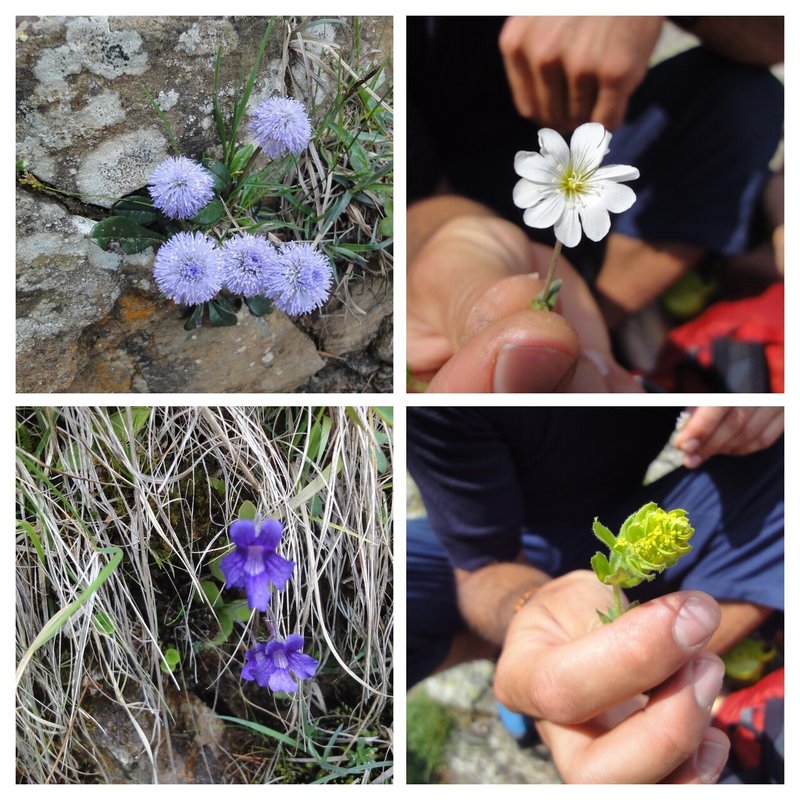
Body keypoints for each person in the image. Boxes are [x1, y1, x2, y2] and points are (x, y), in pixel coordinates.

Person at [407, 406, 784, 783]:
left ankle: (610, 678)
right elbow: (481, 567)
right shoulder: (435, 411)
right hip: (519, 536)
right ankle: (525, 663)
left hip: (620, 530)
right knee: (393, 589)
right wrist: (528, 608)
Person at [407, 17, 784, 392]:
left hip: (585, 145)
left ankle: (599, 323)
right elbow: (414, 204)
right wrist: (460, 268)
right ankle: (590, 332)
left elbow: (780, 37)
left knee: (748, 98)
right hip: (450, 194)